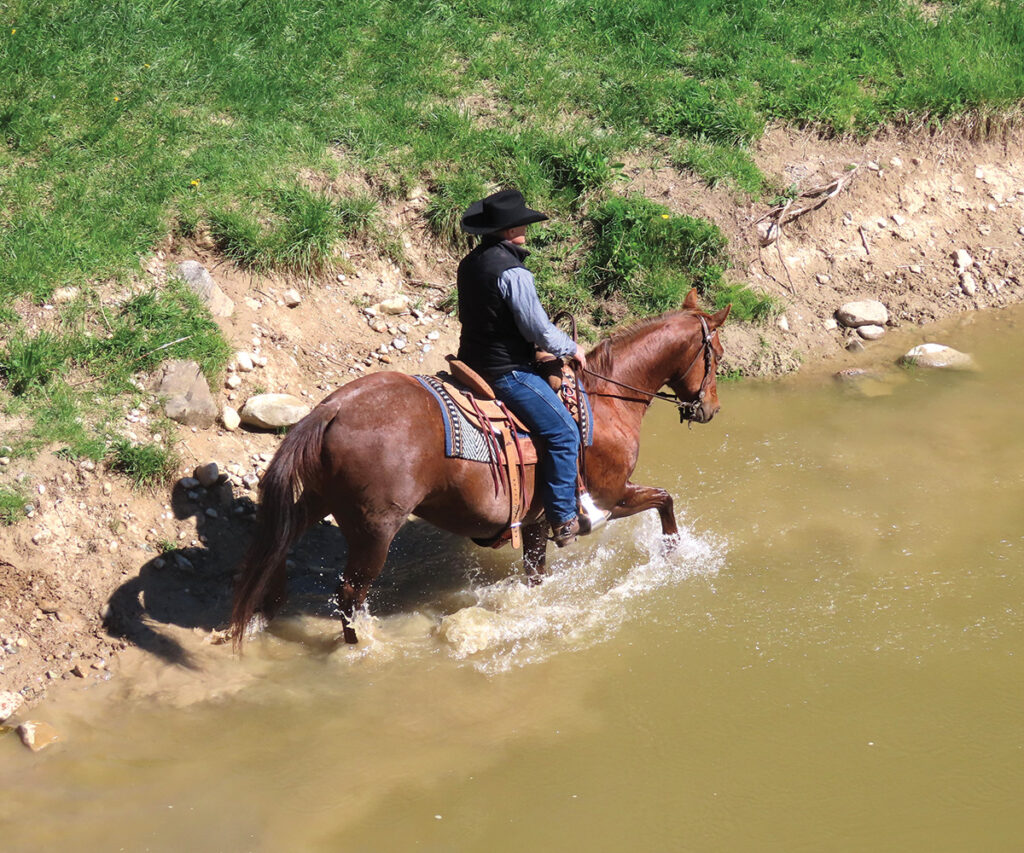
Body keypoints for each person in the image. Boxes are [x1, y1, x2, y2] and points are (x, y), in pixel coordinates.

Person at [456, 188, 587, 547]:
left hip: (469, 365)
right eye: (522, 224)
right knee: (563, 434)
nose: (526, 230)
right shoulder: (513, 272)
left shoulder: (470, 263)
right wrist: (571, 348)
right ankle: (562, 517)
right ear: (510, 229)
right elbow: (538, 329)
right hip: (505, 372)